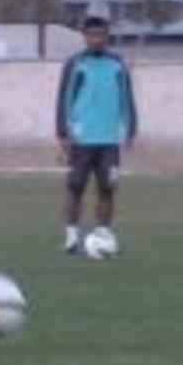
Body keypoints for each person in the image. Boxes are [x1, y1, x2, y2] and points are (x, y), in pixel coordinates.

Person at [55, 16, 138, 255]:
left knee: (107, 189)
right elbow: (64, 98)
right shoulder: (75, 64)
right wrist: (63, 133)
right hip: (81, 139)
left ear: (107, 37)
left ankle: (103, 235)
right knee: (75, 187)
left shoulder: (117, 65)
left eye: (100, 36)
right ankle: (72, 237)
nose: (96, 40)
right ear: (84, 37)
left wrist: (131, 128)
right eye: (91, 36)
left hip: (109, 140)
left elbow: (127, 97)